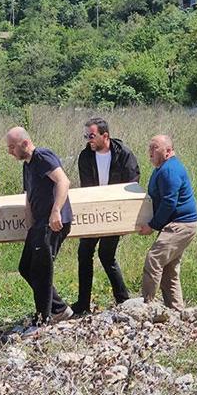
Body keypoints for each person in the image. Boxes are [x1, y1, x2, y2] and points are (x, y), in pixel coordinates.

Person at [5, 127, 73, 331]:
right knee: (26, 267)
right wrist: (29, 221)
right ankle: (59, 308)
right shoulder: (27, 165)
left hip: (53, 221)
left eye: (12, 147)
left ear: (25, 143)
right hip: (39, 222)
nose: (10, 152)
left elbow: (63, 181)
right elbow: (29, 196)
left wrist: (56, 211)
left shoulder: (43, 156)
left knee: (42, 269)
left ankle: (44, 317)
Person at [73, 117, 139, 315]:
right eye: (86, 136)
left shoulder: (124, 154)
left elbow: (132, 183)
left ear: (105, 135)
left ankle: (123, 299)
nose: (88, 140)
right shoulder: (85, 156)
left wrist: (126, 216)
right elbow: (86, 188)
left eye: (91, 136)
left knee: (106, 255)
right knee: (84, 253)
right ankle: (83, 303)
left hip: (114, 211)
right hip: (93, 211)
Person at [138, 134, 197, 311]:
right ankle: (176, 311)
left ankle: (145, 307)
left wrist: (153, 225)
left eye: (154, 147)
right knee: (169, 269)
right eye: (149, 147)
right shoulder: (163, 168)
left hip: (181, 225)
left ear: (168, 151)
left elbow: (169, 202)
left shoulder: (169, 170)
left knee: (154, 259)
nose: (150, 151)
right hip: (179, 224)